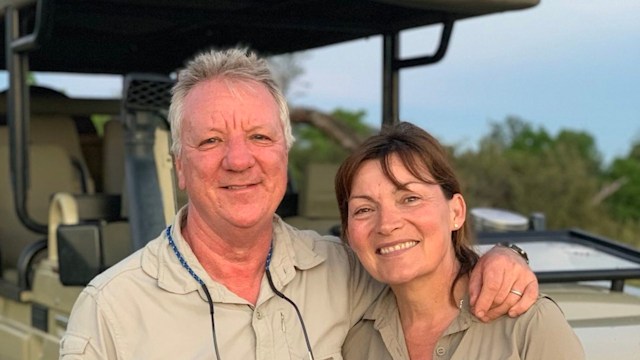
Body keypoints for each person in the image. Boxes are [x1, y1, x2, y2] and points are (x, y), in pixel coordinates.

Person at [60, 48, 538, 359]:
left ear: (284, 155)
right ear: (179, 166)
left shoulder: (345, 271)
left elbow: (426, 272)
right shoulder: (111, 312)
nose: (239, 160)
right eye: (210, 141)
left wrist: (500, 258)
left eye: (259, 136)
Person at [336, 122, 584, 360]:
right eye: (364, 209)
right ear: (348, 232)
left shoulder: (530, 325)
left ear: (456, 212)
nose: (387, 224)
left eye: (410, 199)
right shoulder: (352, 338)